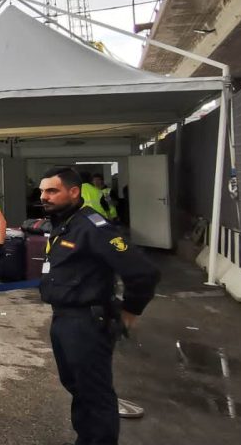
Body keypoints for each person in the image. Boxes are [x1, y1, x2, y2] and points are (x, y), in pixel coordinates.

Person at [39, 166, 160, 445]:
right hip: (64, 319)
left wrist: (131, 310)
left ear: (74, 192)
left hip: (86, 322)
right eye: (43, 191)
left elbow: (143, 272)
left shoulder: (93, 227)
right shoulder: (64, 223)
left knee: (95, 394)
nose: (44, 196)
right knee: (78, 388)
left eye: (52, 191)